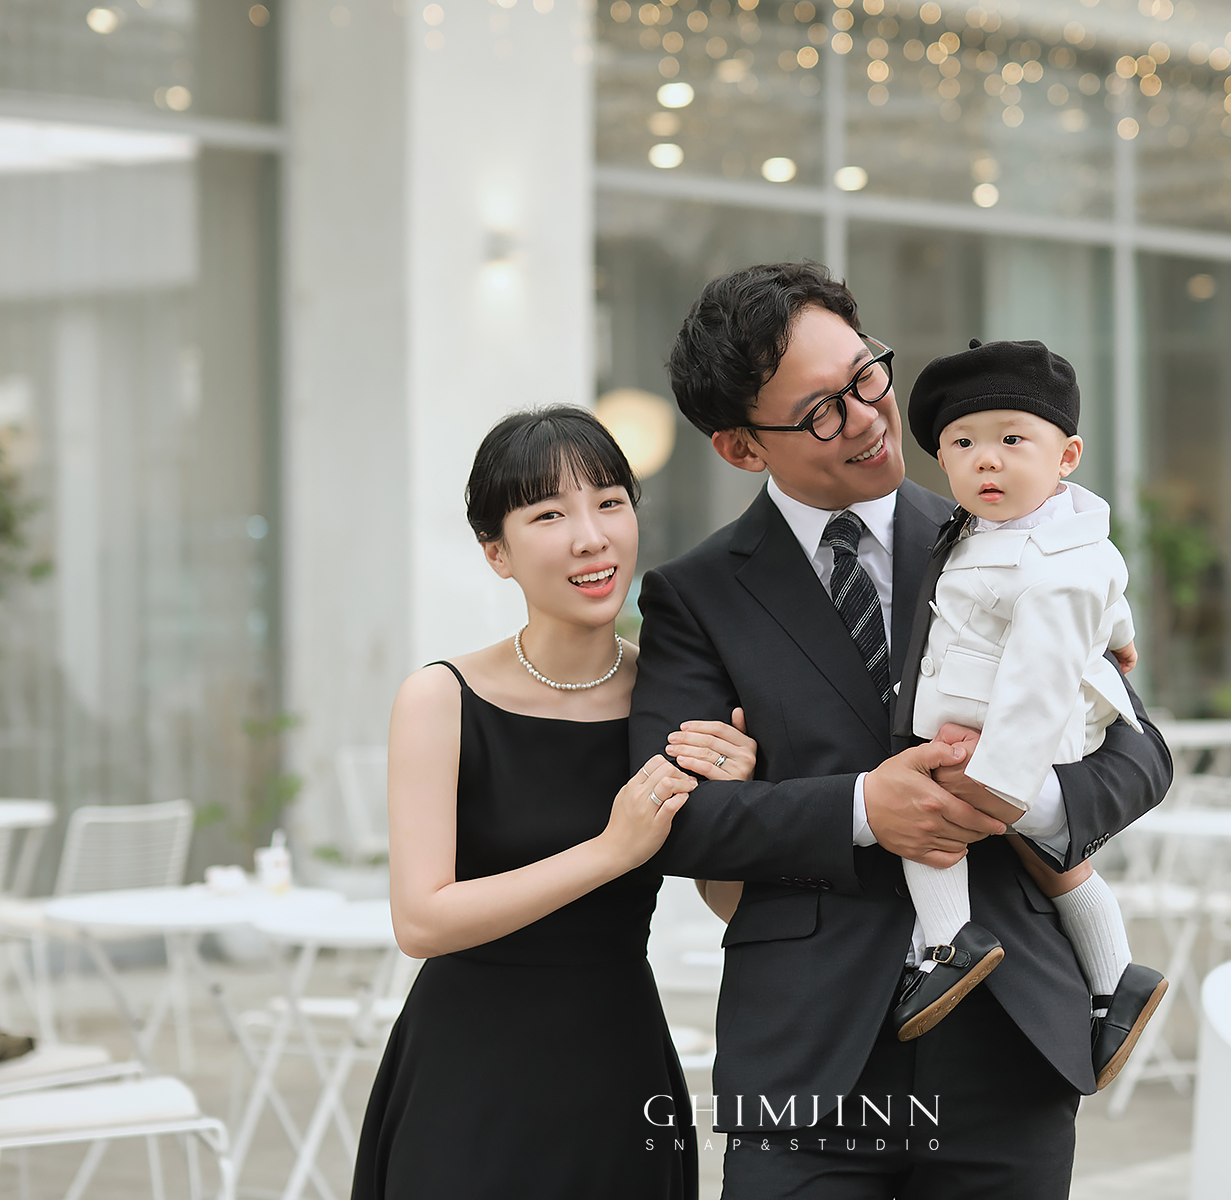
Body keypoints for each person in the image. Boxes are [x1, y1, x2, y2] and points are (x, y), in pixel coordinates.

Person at [630, 262, 1174, 1198]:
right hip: (807, 1064)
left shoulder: (1020, 535)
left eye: (866, 375)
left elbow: (1140, 753)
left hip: (1012, 1043)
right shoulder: (695, 596)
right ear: (741, 448)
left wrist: (1026, 802)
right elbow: (675, 819)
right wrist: (860, 808)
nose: (869, 416)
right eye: (821, 412)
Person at [352, 406, 756, 1200]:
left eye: (609, 503)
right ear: (496, 552)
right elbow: (422, 921)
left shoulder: (677, 697)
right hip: (467, 1080)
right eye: (548, 515)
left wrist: (741, 810)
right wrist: (610, 851)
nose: (590, 538)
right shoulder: (441, 698)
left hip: (618, 1070)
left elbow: (732, 906)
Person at [883, 337, 1167, 1091]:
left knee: (927, 820)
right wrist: (1123, 639)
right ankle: (1117, 980)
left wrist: (997, 782)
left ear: (1066, 456)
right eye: (963, 444)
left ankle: (949, 942)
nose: (987, 460)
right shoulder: (1017, 530)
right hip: (996, 719)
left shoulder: (1050, 564)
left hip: (1017, 733)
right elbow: (1112, 590)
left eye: (1013, 441)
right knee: (1059, 866)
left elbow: (1039, 682)